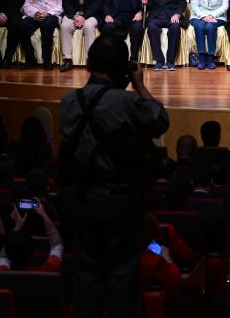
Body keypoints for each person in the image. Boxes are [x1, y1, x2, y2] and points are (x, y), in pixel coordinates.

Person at [59, 33, 169, 318]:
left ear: (87, 66)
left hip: (81, 198)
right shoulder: (126, 102)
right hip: (120, 199)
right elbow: (159, 120)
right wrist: (139, 83)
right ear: (123, 68)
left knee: (87, 274)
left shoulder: (69, 101)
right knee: (123, 276)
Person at [59, 0, 104, 72]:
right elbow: (66, 3)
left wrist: (84, 16)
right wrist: (74, 16)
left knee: (88, 26)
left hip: (91, 14)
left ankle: (91, 61)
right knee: (65, 26)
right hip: (73, 14)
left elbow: (98, 4)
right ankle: (67, 60)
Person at [20, 0, 65, 70]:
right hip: (35, 13)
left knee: (47, 25)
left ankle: (47, 60)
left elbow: (61, 4)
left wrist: (48, 14)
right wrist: (35, 13)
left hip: (52, 14)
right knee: (23, 26)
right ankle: (30, 59)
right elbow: (27, 4)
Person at [145, 0, 186, 71]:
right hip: (156, 15)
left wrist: (177, 14)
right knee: (151, 26)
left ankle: (170, 61)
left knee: (175, 27)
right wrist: (145, 2)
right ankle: (159, 60)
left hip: (172, 15)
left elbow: (183, 3)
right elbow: (150, 5)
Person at [189, 0, 228, 70]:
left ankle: (211, 57)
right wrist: (203, 16)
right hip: (199, 15)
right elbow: (194, 5)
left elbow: (225, 5)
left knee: (210, 26)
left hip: (217, 16)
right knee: (200, 26)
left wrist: (212, 16)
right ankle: (201, 57)